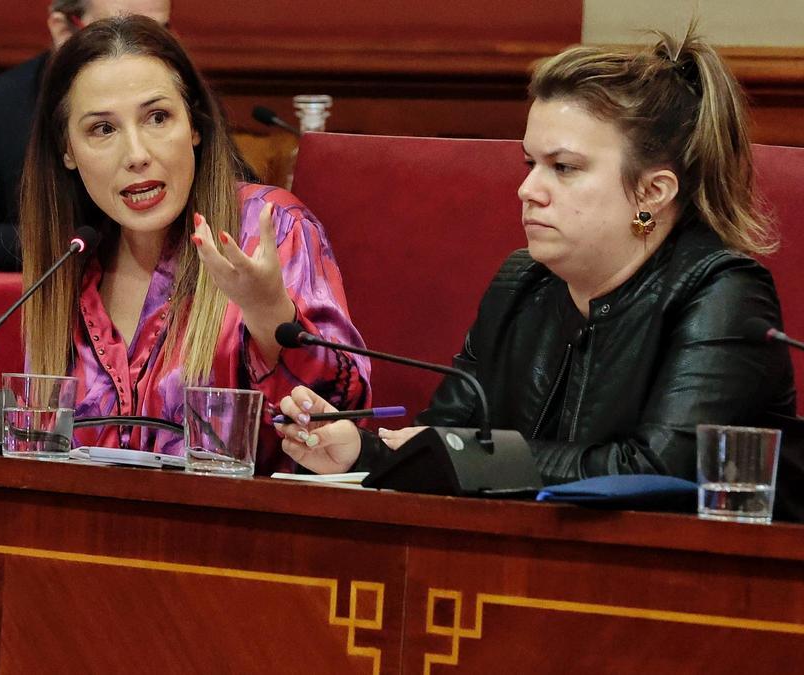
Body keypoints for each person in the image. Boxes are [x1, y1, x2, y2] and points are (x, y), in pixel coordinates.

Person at [0, 16, 370, 474]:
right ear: (68, 151)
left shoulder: (265, 228)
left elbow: (340, 423)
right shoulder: (76, 259)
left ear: (196, 128)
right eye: (102, 130)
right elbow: (47, 447)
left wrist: (267, 311)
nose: (136, 154)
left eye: (158, 118)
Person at [275, 27, 796, 483]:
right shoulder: (522, 283)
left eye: (563, 168)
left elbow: (660, 471)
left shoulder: (721, 292)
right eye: (530, 163)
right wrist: (355, 450)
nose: (528, 189)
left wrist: (478, 456)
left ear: (653, 192)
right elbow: (441, 446)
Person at [0, 0, 172, 270]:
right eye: (117, 33)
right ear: (63, 30)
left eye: (159, 35)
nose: (144, 57)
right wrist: (83, 245)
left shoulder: (184, 104)